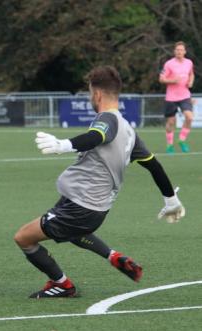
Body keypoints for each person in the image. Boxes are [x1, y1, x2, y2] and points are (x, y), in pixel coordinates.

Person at [14, 66, 185, 299]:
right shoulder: (129, 131)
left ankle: (62, 285)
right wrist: (171, 200)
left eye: (89, 93)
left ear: (97, 94)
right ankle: (112, 256)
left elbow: (97, 136)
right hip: (92, 207)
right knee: (73, 232)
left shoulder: (107, 119)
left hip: (80, 206)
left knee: (23, 238)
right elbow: (154, 165)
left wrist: (63, 145)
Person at [159, 41, 195, 154]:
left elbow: (191, 74)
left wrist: (191, 82)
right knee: (171, 122)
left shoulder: (189, 62)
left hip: (185, 95)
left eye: (181, 50)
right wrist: (172, 80)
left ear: (185, 51)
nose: (179, 51)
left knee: (189, 117)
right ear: (174, 51)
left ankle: (182, 140)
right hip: (171, 97)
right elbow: (161, 79)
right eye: (177, 50)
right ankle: (169, 145)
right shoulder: (169, 64)